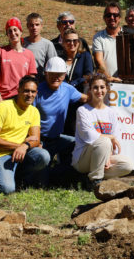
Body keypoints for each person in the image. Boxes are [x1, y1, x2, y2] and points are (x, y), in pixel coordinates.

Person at [0, 75, 50, 194]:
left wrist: (25, 146)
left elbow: (36, 139)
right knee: (7, 189)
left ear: (36, 93)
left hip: (19, 153)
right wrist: (19, 146)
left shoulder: (34, 111)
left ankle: (18, 177)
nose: (30, 94)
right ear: (18, 90)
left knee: (43, 156)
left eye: (33, 91)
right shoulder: (3, 107)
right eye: (26, 91)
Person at [72, 73, 133, 189]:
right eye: (95, 87)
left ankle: (90, 177)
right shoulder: (83, 111)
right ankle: (95, 181)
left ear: (107, 89)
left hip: (103, 155)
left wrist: (108, 156)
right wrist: (110, 138)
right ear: (89, 90)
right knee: (104, 141)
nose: (99, 90)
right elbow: (89, 136)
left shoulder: (112, 112)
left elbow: (115, 140)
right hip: (82, 159)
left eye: (102, 87)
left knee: (127, 165)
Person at [33, 57, 88, 185]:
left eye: (60, 75)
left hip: (57, 138)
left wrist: (108, 96)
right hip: (40, 139)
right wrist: (35, 140)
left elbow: (86, 98)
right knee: (41, 182)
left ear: (64, 75)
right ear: (46, 73)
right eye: (52, 74)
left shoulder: (67, 89)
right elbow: (29, 117)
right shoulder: (37, 91)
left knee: (76, 144)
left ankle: (60, 172)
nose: (56, 78)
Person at [0, 17, 37, 103]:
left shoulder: (29, 54)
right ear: (7, 35)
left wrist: (29, 96)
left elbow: (31, 78)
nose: (13, 33)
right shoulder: (0, 51)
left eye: (15, 30)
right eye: (9, 31)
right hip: (3, 98)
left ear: (20, 31)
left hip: (22, 98)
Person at [60, 28, 94, 136]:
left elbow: (89, 75)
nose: (72, 43)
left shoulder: (85, 56)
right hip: (62, 99)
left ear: (78, 42)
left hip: (79, 98)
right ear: (63, 42)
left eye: (75, 40)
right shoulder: (59, 58)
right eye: (68, 41)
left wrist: (73, 84)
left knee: (75, 131)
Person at [23, 13, 57, 82]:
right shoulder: (21, 43)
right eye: (31, 25)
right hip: (22, 83)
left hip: (40, 83)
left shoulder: (48, 45)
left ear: (41, 26)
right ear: (27, 26)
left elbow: (53, 66)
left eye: (37, 25)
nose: (34, 27)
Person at [93, 2, 122, 81]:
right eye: (108, 15)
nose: (112, 18)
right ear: (104, 18)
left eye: (115, 15)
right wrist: (109, 78)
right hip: (106, 82)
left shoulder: (126, 35)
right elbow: (99, 61)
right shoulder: (98, 37)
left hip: (127, 82)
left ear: (119, 18)